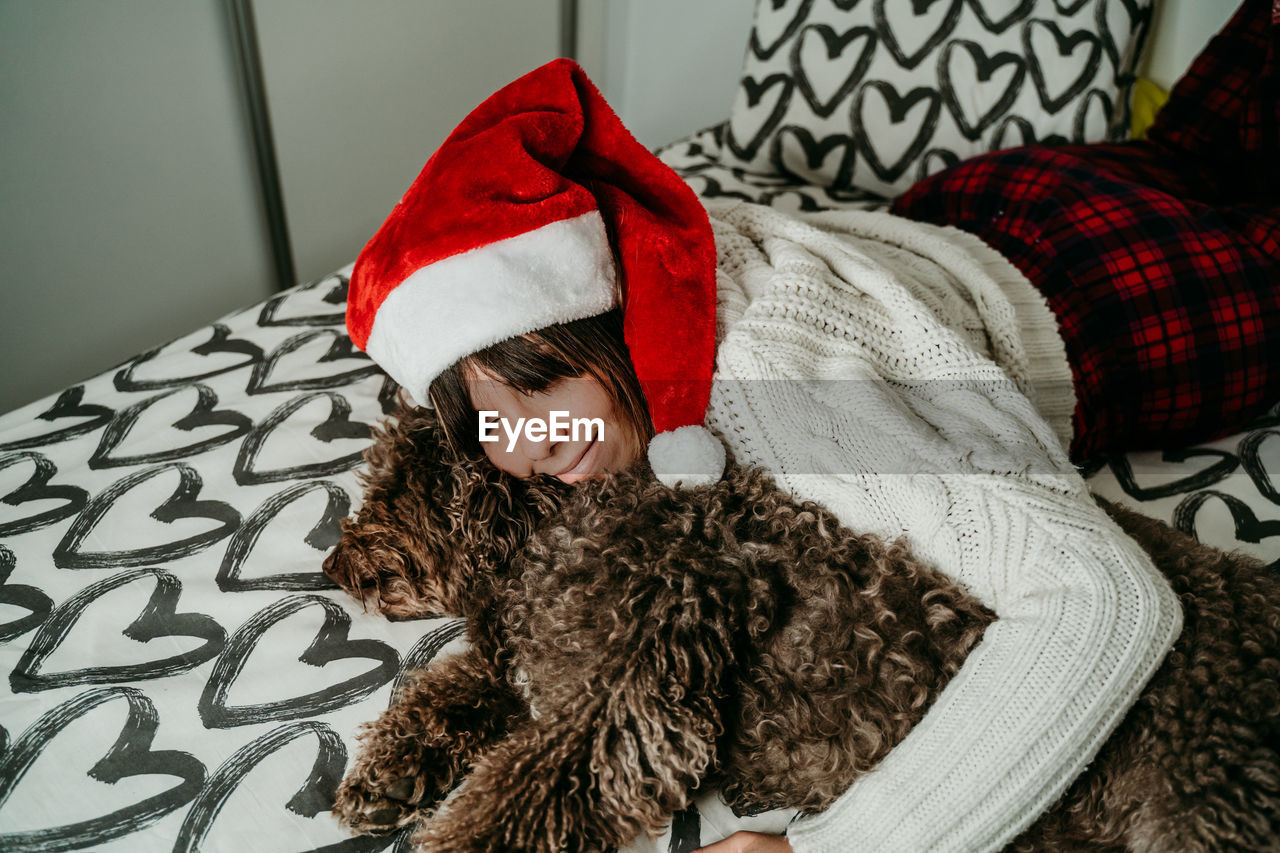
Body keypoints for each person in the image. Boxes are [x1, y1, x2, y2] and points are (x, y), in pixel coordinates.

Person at [341, 2, 1277, 851]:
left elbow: (1103, 602)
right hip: (970, 205)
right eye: (487, 425)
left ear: (597, 319)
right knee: (1192, 140)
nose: (524, 448)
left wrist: (832, 846)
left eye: (538, 391)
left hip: (1114, 289)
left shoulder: (788, 391)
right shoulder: (654, 266)